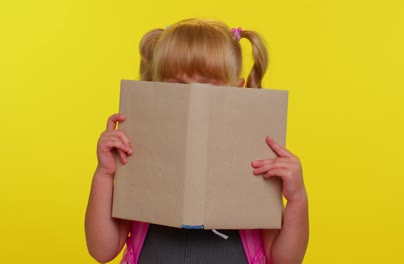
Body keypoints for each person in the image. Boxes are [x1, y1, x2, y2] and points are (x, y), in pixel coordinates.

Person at [85, 18, 309, 264]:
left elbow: (286, 260)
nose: (192, 101)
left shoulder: (255, 160)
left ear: (237, 92)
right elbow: (101, 250)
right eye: (177, 87)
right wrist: (104, 174)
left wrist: (297, 198)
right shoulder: (140, 155)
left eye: (207, 87)